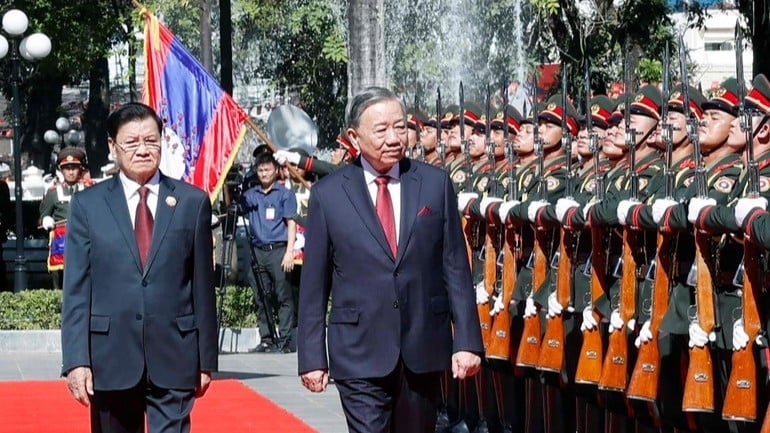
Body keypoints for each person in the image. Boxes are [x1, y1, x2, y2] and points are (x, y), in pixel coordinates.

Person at [297, 86, 483, 433]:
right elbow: (314, 286)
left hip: (422, 346)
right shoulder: (329, 194)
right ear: (354, 136)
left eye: (400, 127)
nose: (394, 138)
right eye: (381, 130)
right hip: (358, 349)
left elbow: (456, 267)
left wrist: (468, 341)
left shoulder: (434, 184)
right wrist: (311, 356)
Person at [60, 102, 217, 433]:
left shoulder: (192, 202)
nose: (143, 150)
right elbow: (77, 290)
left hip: (174, 353)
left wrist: (206, 359)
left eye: (151, 141)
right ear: (112, 146)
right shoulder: (88, 205)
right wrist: (76, 360)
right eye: (132, 142)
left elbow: (202, 287)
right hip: (109, 357)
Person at [240, 151, 298, 353]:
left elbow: (292, 224)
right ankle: (267, 339)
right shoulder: (251, 194)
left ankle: (285, 340)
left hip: (278, 250)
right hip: (257, 251)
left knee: (283, 296)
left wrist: (289, 252)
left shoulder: (284, 194)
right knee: (261, 297)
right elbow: (235, 205)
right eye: (260, 170)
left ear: (275, 170)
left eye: (267, 170)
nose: (264, 174)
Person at [39, 146, 92, 290]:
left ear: (80, 169)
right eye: (67, 168)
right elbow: (43, 215)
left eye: (74, 168)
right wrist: (46, 220)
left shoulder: (89, 190)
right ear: (61, 170)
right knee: (60, 279)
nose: (71, 172)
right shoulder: (53, 192)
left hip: (84, 240)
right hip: (61, 243)